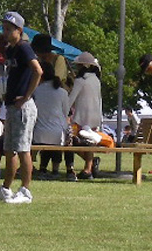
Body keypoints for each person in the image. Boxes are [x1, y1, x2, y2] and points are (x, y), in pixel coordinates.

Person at [0, 12, 42, 203]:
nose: (5, 32)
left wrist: (26, 96)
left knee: (22, 149)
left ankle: (26, 190)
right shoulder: (11, 50)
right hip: (11, 104)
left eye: (9, 29)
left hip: (23, 106)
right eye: (4, 28)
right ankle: (6, 188)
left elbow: (38, 70)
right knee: (9, 148)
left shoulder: (24, 48)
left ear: (19, 31)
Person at [68, 52, 104, 180]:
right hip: (95, 115)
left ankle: (89, 167)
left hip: (83, 115)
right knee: (90, 143)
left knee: (72, 142)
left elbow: (71, 99)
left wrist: (64, 110)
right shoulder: (96, 80)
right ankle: (89, 166)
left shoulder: (80, 80)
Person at [32, 62, 70, 178]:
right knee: (55, 139)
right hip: (58, 134)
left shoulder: (36, 91)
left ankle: (43, 168)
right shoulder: (62, 92)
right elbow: (66, 112)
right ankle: (55, 169)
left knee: (44, 137)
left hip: (38, 134)